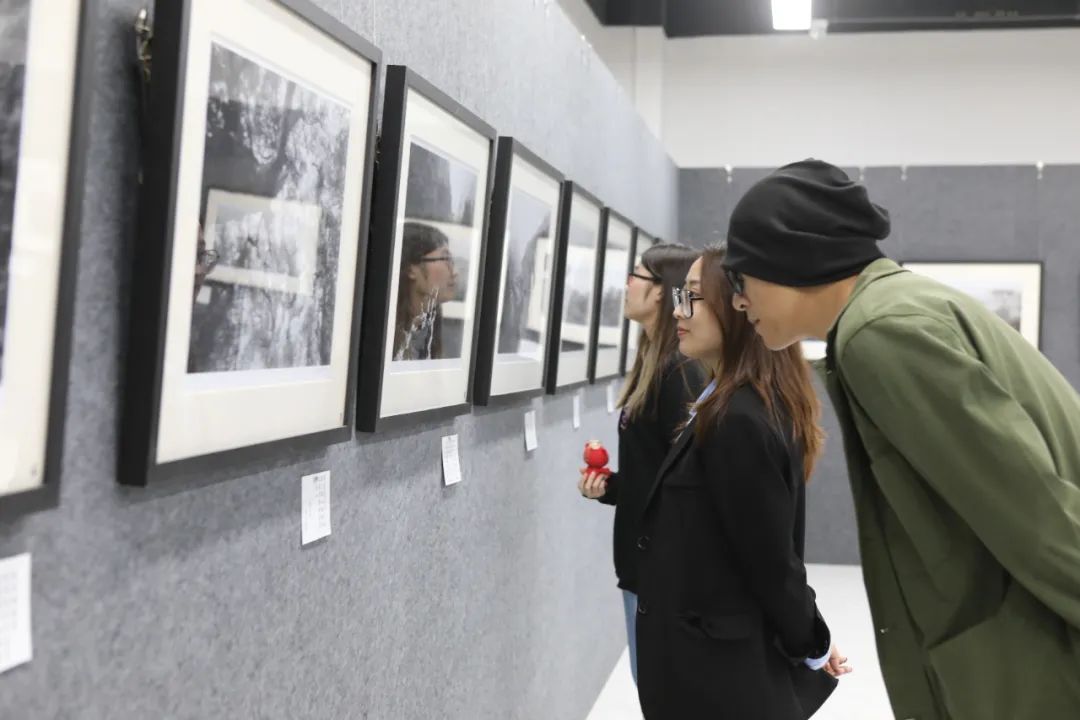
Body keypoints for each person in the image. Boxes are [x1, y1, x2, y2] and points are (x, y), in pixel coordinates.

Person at [722, 159, 1080, 720]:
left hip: (1029, 664)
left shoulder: (880, 332)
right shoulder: (897, 308)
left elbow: (1035, 515)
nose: (738, 302)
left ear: (790, 258)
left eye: (740, 278)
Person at [634, 246, 849, 720]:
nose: (677, 312)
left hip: (717, 676)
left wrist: (812, 641)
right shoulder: (726, 404)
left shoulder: (738, 419)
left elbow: (770, 561)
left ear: (738, 308)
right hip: (708, 662)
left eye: (692, 297)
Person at [577, 243, 704, 686]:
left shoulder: (680, 370)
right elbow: (655, 473)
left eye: (636, 276)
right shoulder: (655, 363)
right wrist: (609, 487)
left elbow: (687, 480)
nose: (626, 285)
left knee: (664, 692)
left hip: (663, 571)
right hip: (643, 563)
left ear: (661, 291)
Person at [394, 222, 458, 360]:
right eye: (445, 259)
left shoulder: (429, 330)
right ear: (411, 269)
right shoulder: (385, 334)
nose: (455, 272)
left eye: (452, 261)